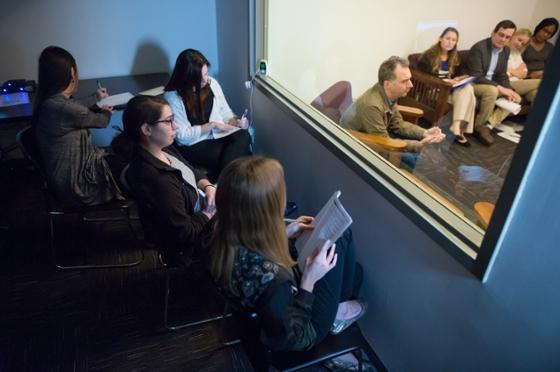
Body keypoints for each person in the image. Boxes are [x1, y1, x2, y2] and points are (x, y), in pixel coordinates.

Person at [208, 156, 366, 367]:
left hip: (255, 312)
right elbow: (295, 338)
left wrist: (285, 231)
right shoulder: (274, 278)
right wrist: (309, 280)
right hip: (297, 333)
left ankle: (337, 306)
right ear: (268, 211)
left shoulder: (214, 231)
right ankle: (336, 314)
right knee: (343, 243)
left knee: (350, 264)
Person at [111, 95, 215, 265]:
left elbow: (192, 171)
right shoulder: (156, 179)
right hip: (194, 240)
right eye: (168, 121)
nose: (176, 125)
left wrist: (208, 186)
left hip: (202, 210)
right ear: (146, 129)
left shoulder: (164, 148)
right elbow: (184, 233)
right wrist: (208, 214)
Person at [32, 46, 123, 208]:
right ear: (72, 72)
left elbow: (73, 107)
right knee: (135, 168)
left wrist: (96, 97)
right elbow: (101, 122)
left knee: (128, 161)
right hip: (78, 185)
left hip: (62, 179)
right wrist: (107, 112)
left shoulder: (49, 102)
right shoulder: (65, 108)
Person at [164, 49, 251, 182]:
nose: (206, 80)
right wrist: (211, 125)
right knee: (242, 155)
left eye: (206, 73)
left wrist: (237, 122)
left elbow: (226, 113)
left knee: (244, 136)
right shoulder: (173, 97)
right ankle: (221, 185)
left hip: (217, 134)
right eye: (199, 78)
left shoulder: (212, 84)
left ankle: (218, 182)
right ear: (187, 78)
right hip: (194, 143)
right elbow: (182, 137)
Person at [340, 56, 445, 153]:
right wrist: (418, 145)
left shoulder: (388, 93)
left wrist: (424, 132)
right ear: (387, 84)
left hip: (381, 137)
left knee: (429, 159)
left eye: (410, 79)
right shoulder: (372, 106)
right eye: (404, 81)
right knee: (424, 163)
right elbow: (384, 143)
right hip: (359, 148)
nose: (411, 85)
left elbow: (397, 124)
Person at [417, 27, 476, 146]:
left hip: (448, 90)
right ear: (440, 39)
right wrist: (445, 81)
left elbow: (459, 73)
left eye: (454, 40)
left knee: (468, 88)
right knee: (470, 97)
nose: (450, 42)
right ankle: (460, 130)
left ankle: (456, 125)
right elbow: (425, 77)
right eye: (448, 38)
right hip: (432, 90)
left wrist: (459, 78)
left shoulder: (454, 57)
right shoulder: (428, 56)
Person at [467, 20, 520, 146]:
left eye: (507, 37)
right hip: (474, 84)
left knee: (515, 97)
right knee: (492, 90)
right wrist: (500, 88)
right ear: (493, 32)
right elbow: (476, 75)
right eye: (501, 35)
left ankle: (488, 125)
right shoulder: (479, 48)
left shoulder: (506, 51)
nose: (503, 39)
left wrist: (508, 89)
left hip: (492, 83)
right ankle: (478, 126)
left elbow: (502, 74)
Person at [507, 28, 540, 103]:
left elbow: (525, 72)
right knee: (542, 82)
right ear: (513, 35)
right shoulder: (502, 49)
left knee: (534, 93)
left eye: (523, 44)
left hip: (518, 82)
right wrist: (517, 72)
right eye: (519, 40)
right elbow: (503, 74)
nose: (519, 44)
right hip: (509, 83)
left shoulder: (516, 53)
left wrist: (511, 72)